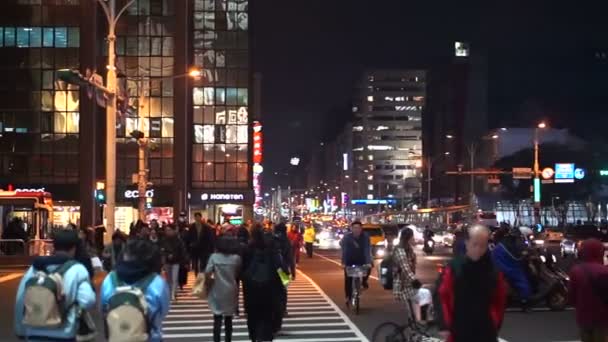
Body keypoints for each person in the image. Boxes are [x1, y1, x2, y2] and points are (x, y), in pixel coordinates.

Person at [14, 229, 96, 341]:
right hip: (64, 332)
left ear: (54, 246)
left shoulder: (35, 268)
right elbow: (88, 300)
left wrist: (20, 329)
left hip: (33, 331)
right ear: (74, 248)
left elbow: (21, 298)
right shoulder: (77, 269)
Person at [437, 224, 507, 342]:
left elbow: (500, 300)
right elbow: (442, 296)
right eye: (475, 244)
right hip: (459, 328)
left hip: (486, 329)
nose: (478, 249)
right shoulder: (454, 267)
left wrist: (495, 322)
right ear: (467, 243)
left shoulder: (493, 271)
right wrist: (445, 325)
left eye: (482, 246)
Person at [101, 239, 170, 342]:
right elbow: (163, 311)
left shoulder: (110, 279)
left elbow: (103, 308)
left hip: (117, 337)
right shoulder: (157, 282)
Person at [243, 224, 285, 342]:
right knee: (267, 316)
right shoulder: (271, 248)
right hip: (269, 289)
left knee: (252, 317)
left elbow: (242, 271)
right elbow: (280, 267)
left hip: (251, 290)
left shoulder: (247, 249)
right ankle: (267, 337)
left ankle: (254, 337)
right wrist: (285, 282)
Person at [568, 239, 608, 342]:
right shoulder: (605, 271)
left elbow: (572, 298)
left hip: (584, 317)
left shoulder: (576, 271)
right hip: (603, 317)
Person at [205, 236, 242, 342]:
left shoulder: (214, 257)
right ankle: (228, 339)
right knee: (229, 318)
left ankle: (216, 340)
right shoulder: (236, 258)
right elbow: (238, 272)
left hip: (217, 288)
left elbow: (207, 272)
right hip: (231, 289)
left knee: (217, 317)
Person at [341, 221, 372, 306]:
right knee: (348, 279)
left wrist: (368, 262)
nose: (356, 230)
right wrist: (343, 262)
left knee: (369, 268)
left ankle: (364, 282)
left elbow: (367, 249)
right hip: (349, 260)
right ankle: (348, 297)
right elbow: (345, 250)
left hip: (361, 259)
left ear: (361, 229)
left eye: (358, 228)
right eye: (354, 228)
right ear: (351, 228)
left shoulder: (365, 237)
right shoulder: (347, 237)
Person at [392, 228, 418, 321]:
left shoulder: (409, 249)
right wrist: (415, 280)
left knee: (414, 310)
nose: (413, 238)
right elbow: (405, 267)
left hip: (408, 283)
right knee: (412, 311)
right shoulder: (400, 250)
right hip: (402, 285)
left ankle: (413, 329)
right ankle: (413, 331)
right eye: (412, 236)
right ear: (408, 237)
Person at [161, 224, 186, 301]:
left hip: (176, 261)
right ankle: (170, 292)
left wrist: (176, 256)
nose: (168, 232)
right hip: (167, 261)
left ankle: (173, 293)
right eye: (166, 230)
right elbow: (161, 250)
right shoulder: (163, 240)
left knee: (175, 278)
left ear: (173, 231)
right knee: (168, 279)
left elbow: (182, 251)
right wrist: (167, 255)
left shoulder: (178, 240)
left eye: (169, 230)